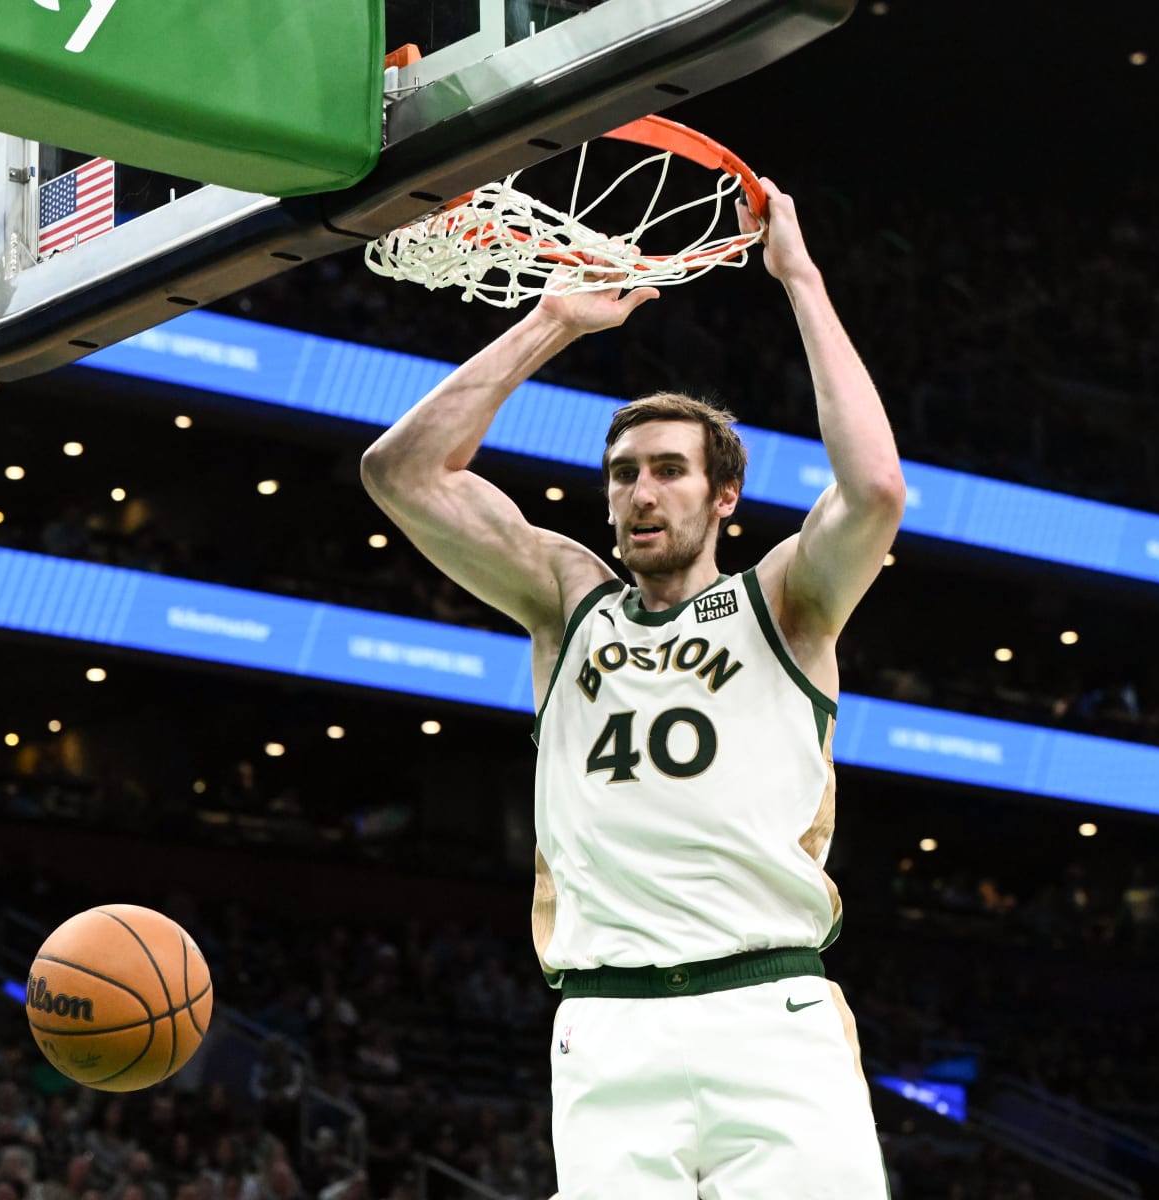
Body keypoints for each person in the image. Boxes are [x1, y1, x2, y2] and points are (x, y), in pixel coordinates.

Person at [361, 179, 903, 1197]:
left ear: (724, 495)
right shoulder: (567, 600)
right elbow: (403, 474)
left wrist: (800, 277)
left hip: (770, 1010)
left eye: (667, 469)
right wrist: (551, 321)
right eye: (621, 473)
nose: (640, 492)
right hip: (608, 1029)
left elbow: (875, 489)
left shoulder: (787, 601)